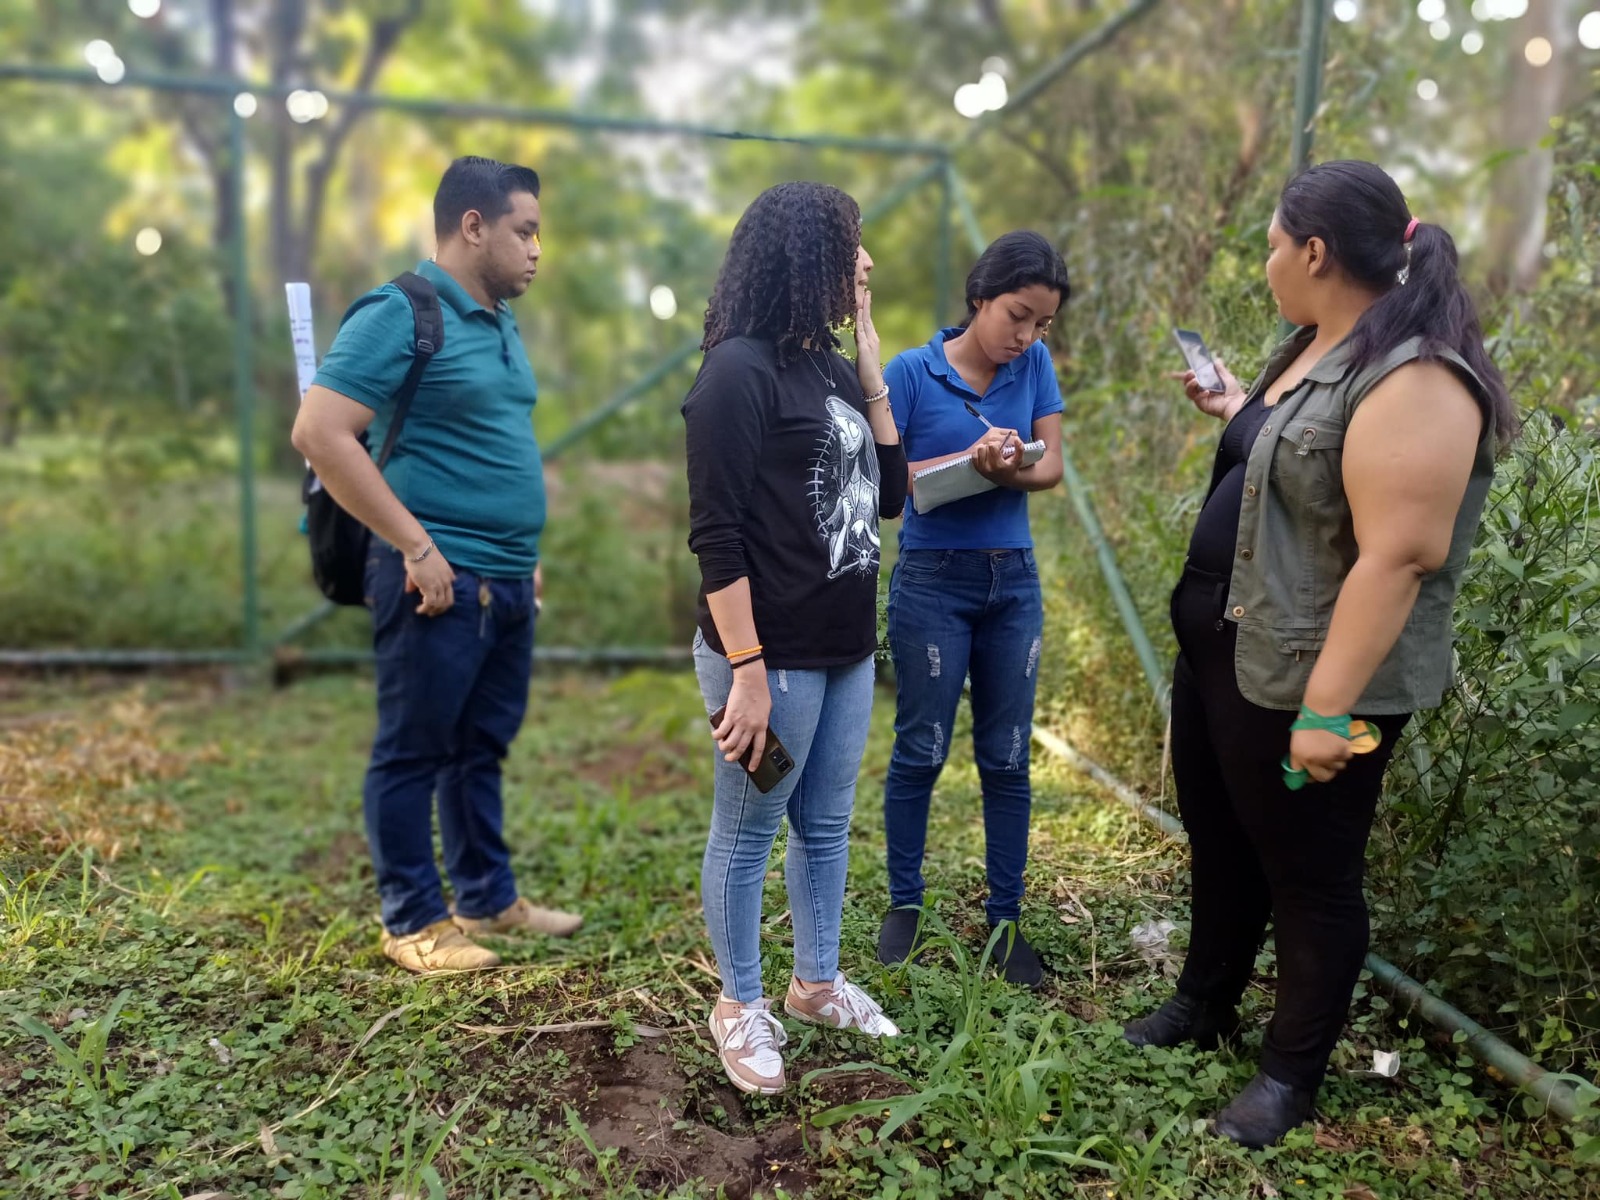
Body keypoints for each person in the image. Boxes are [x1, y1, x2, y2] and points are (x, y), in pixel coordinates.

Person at [1122, 160, 1517, 1147]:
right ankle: (1202, 1004)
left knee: (1310, 877)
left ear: (1313, 250)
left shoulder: (1417, 373)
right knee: (1223, 844)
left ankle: (1288, 1077)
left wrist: (1328, 710)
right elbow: (1302, 456)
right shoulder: (1318, 345)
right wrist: (1234, 415)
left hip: (1306, 673)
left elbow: (1399, 553)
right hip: (1225, 647)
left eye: (1268, 243)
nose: (1264, 262)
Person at [291, 156, 581, 975]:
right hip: (434, 581)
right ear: (472, 226)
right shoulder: (400, 312)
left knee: (479, 746)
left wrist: (525, 558)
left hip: (507, 578)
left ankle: (487, 894)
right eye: (524, 232)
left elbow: (491, 444)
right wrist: (417, 547)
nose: (536, 250)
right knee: (413, 750)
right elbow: (320, 433)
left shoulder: (499, 319)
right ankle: (412, 920)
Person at [682, 181, 908, 1095]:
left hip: (844, 649)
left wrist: (871, 371)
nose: (864, 264)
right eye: (851, 245)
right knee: (750, 831)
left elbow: (889, 499)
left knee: (824, 824)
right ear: (804, 256)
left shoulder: (822, 368)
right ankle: (739, 1004)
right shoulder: (737, 371)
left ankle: (816, 982)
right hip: (767, 660)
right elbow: (716, 536)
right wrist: (747, 673)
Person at [874, 231, 1070, 988]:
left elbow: (1049, 464)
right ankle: (905, 908)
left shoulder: (1036, 367)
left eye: (1042, 325)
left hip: (1011, 582)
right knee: (921, 747)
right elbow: (893, 485)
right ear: (981, 296)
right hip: (932, 579)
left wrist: (1010, 466)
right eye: (1018, 316)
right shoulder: (910, 374)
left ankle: (1006, 921)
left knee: (1008, 755)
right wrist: (972, 463)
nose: (1026, 337)